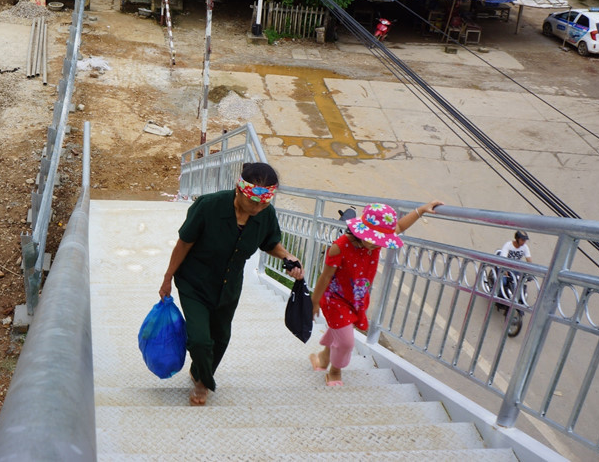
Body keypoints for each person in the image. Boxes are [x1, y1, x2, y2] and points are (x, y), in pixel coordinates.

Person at [159, 162, 304, 406]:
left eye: (263, 204)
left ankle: (200, 373)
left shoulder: (265, 213)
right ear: (239, 190)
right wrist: (167, 278)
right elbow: (184, 243)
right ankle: (204, 382)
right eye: (253, 202)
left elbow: (270, 243)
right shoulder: (208, 206)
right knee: (200, 339)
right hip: (195, 282)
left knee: (221, 336)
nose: (257, 208)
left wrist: (288, 257)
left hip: (229, 285)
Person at [309, 200, 443, 386]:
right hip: (336, 300)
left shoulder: (375, 242)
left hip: (357, 298)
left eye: (380, 240)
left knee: (340, 330)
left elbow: (399, 226)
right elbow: (325, 277)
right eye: (373, 239)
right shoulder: (339, 247)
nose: (376, 245)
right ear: (361, 231)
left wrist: (421, 210)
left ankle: (322, 358)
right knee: (346, 342)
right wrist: (315, 302)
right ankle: (334, 371)